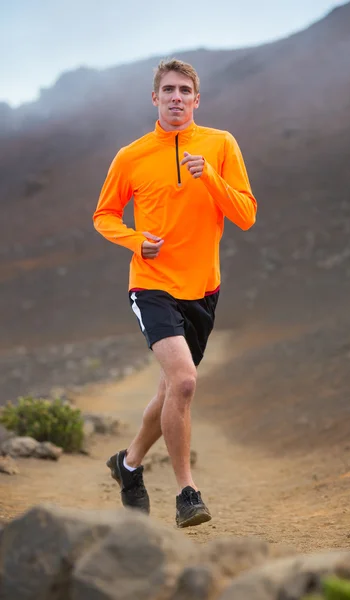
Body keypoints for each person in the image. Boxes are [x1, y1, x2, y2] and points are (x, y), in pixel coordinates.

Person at [93, 58, 257, 528]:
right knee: (184, 382)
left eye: (185, 90)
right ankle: (188, 491)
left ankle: (127, 465)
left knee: (170, 390)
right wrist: (134, 240)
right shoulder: (132, 156)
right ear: (155, 98)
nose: (177, 97)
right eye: (168, 89)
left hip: (203, 288)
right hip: (152, 284)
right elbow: (104, 214)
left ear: (197, 99)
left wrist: (210, 177)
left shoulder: (221, 145)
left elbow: (245, 213)